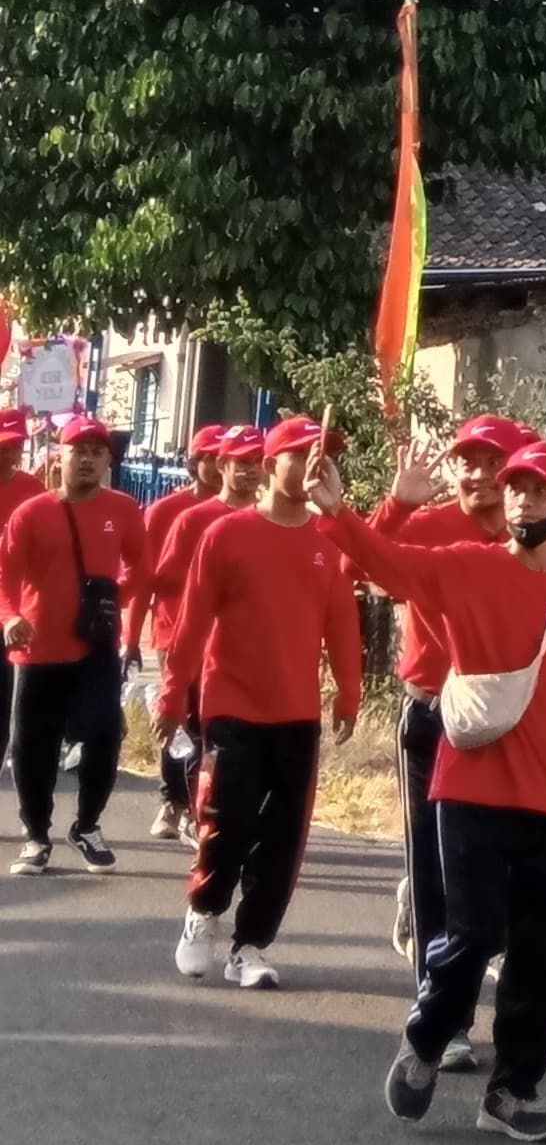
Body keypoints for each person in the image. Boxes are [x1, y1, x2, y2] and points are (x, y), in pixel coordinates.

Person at [333, 439, 546, 1145]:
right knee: (472, 932)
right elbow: (384, 564)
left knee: (542, 949)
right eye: (517, 487)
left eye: (540, 490)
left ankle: (513, 1089)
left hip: (545, 799)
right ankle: (430, 1036)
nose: (523, 499)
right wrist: (347, 509)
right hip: (466, 787)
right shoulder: (468, 568)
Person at [162, 416, 364, 987]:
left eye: (324, 456)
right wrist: (174, 694)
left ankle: (250, 946)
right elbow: (192, 621)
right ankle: (204, 911)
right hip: (232, 706)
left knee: (283, 836)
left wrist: (348, 693)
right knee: (229, 820)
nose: (315, 465)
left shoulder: (327, 543)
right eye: (302, 454)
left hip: (296, 713)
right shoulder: (225, 535)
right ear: (272, 465)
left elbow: (342, 627)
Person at [365, 413, 521, 1009]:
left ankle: (457, 930)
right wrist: (396, 509)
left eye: (491, 463)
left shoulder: (529, 537)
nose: (477, 474)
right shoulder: (429, 527)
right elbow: (357, 565)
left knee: (500, 865)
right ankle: (440, 1012)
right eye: (467, 462)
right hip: (433, 714)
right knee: (433, 862)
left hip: (504, 723)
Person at [3, 411, 140, 873]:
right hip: (38, 649)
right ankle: (36, 835)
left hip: (96, 647)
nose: (86, 460)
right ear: (58, 456)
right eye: (77, 450)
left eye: (96, 452)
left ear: (107, 460)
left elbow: (141, 566)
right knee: (32, 746)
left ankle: (87, 824)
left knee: (104, 736)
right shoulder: (32, 512)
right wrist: (10, 616)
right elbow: (5, 576)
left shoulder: (123, 509)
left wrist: (117, 594)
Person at [146, 429, 264, 838]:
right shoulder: (189, 518)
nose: (250, 470)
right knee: (191, 729)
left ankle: (211, 815)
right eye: (240, 461)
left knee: (222, 735)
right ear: (220, 465)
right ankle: (176, 803)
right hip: (191, 641)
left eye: (257, 461)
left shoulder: (268, 518)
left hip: (244, 651)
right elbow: (161, 579)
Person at [121, 424, 226, 838]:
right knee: (179, 718)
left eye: (225, 458)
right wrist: (131, 638)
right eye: (210, 458)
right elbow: (145, 580)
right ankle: (173, 801)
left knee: (213, 725)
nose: (219, 466)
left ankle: (206, 806)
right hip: (176, 633)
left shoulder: (249, 510)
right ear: (195, 463)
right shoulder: (167, 513)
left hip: (228, 641)